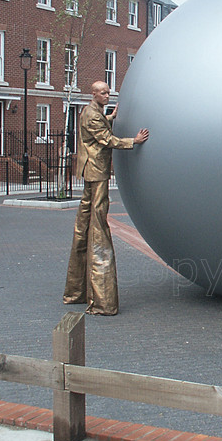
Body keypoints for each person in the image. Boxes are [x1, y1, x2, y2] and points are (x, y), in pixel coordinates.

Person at [63, 81, 149, 315]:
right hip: (96, 172)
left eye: (108, 92)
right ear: (93, 94)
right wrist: (134, 141)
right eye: (103, 92)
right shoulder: (92, 114)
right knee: (98, 224)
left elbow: (98, 127)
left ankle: (75, 291)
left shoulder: (92, 111)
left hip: (90, 171)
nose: (107, 95)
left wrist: (110, 117)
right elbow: (106, 140)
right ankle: (102, 301)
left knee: (85, 223)